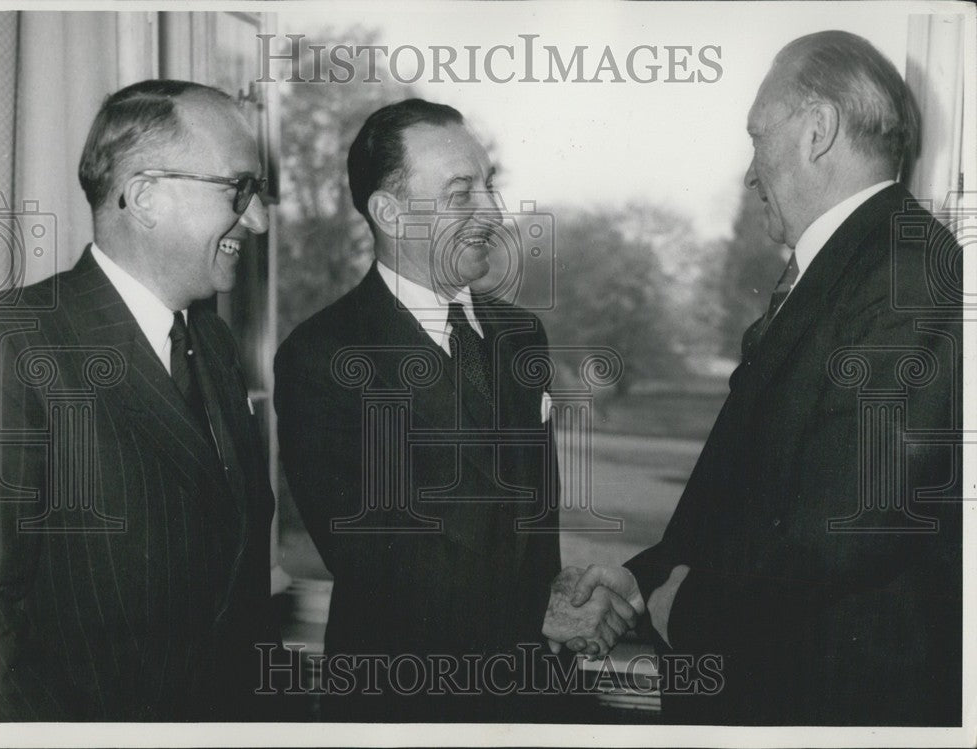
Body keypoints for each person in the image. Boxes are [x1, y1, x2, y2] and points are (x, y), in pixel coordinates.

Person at [558, 30, 962, 725]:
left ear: (817, 130)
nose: (750, 172)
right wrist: (640, 581)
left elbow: (849, 520)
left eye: (756, 136)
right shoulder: (847, 268)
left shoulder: (908, 270)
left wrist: (688, 602)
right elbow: (747, 493)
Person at [274, 98, 634, 721]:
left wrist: (565, 602)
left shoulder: (522, 334)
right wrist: (535, 615)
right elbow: (382, 561)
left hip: (536, 695)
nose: (493, 213)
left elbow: (526, 531)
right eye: (462, 193)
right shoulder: (322, 356)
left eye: (490, 187)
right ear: (390, 212)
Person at [0, 80, 278, 721]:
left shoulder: (212, 343)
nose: (258, 219)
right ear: (146, 196)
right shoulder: (14, 344)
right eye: (239, 189)